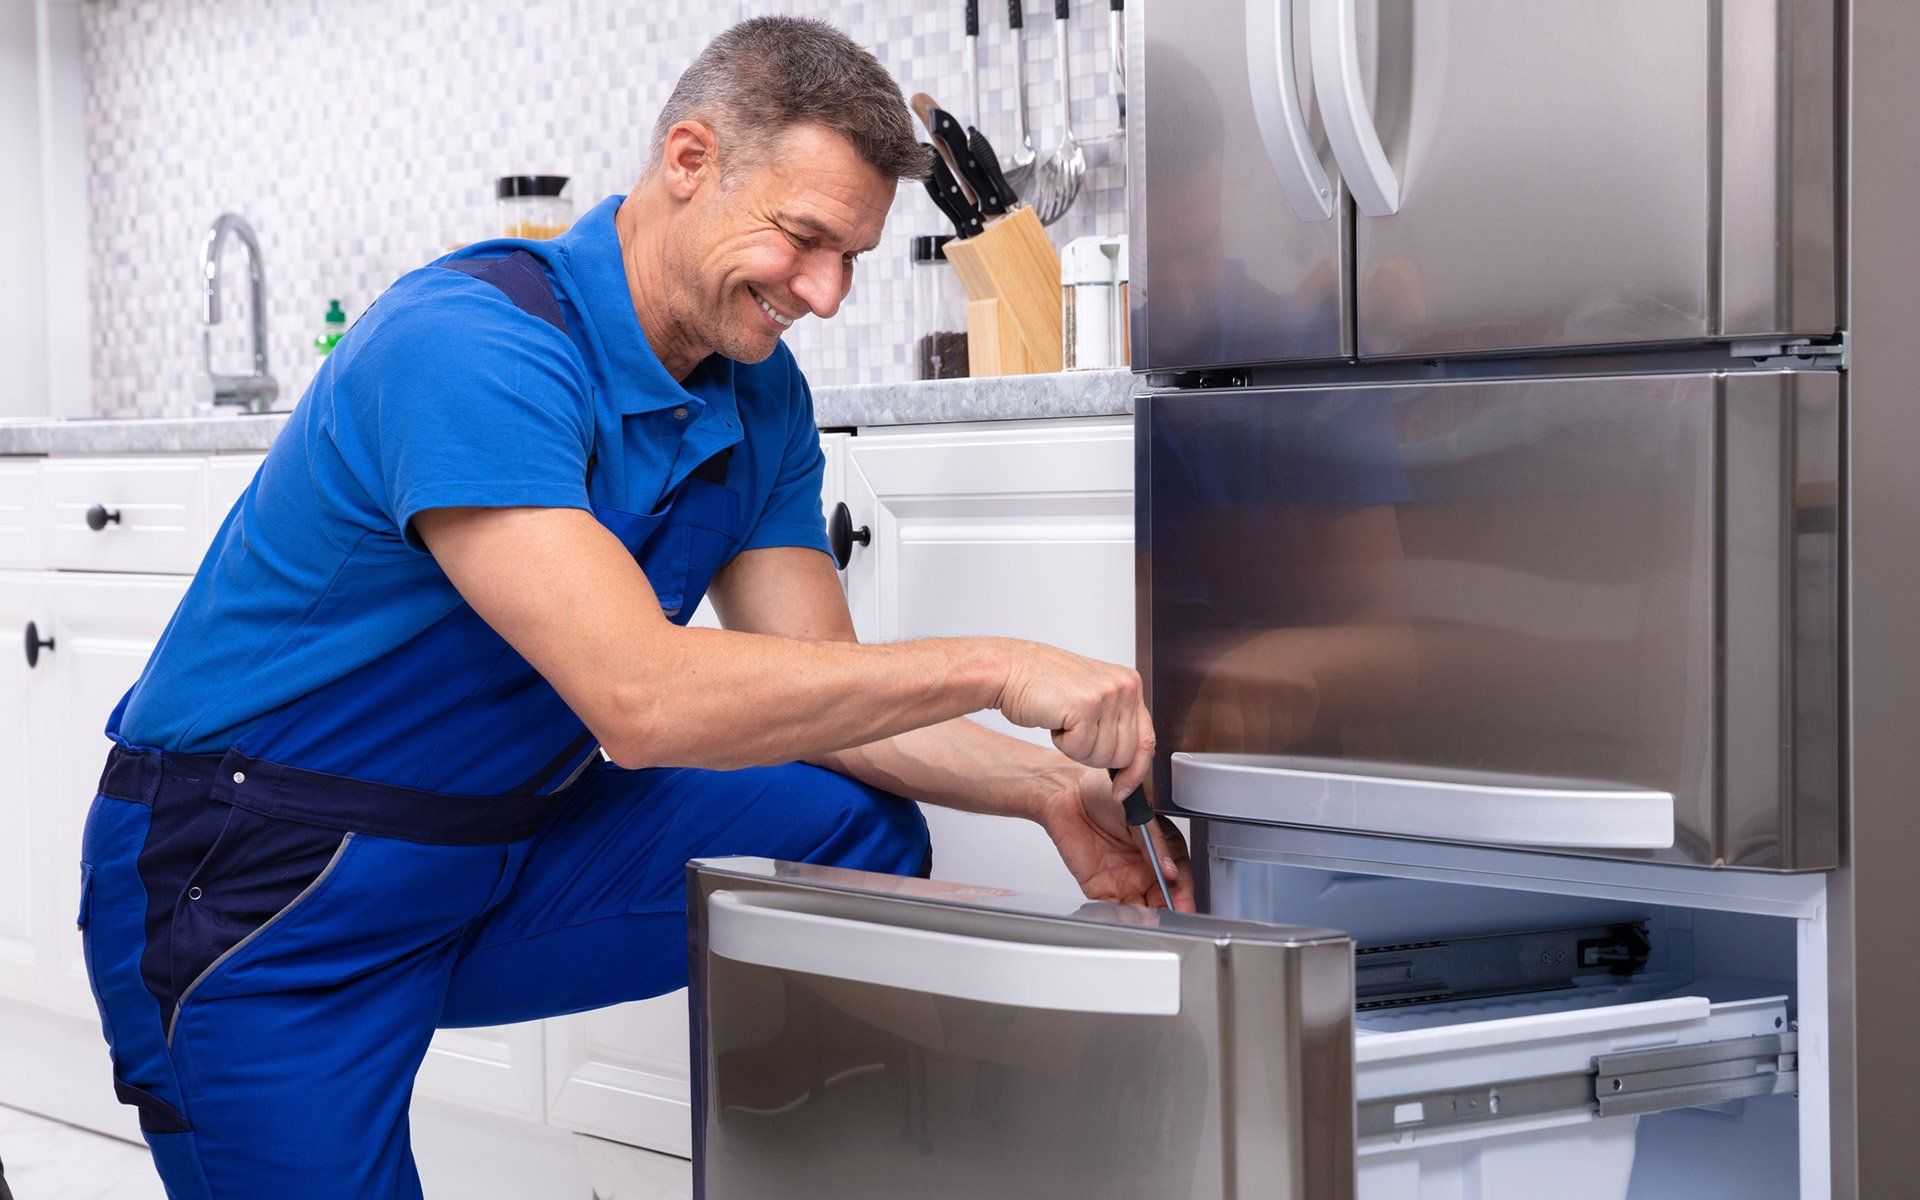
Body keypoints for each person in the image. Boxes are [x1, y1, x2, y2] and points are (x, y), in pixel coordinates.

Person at [76, 17, 1186, 1198]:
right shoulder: (468, 347)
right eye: (805, 239)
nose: (824, 292)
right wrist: (1001, 666)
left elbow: (826, 694)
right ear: (690, 161)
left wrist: (1045, 789)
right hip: (260, 880)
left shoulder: (757, 395)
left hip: (504, 850)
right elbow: (641, 701)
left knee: (844, 831)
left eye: (851, 256)